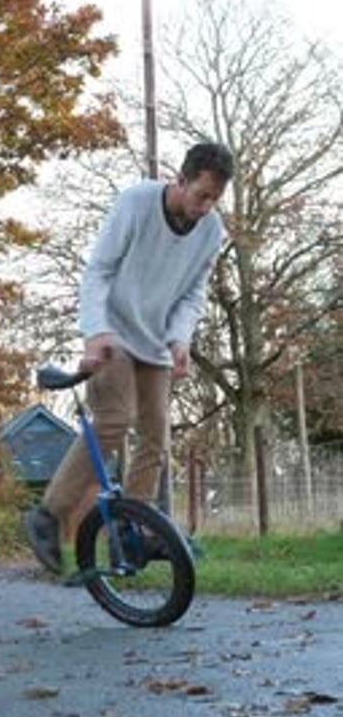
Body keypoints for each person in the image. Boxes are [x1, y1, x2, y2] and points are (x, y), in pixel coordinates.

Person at [24, 141, 234, 573]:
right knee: (115, 419)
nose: (205, 207)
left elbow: (193, 294)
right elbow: (99, 269)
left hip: (156, 342)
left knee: (156, 437)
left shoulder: (212, 231)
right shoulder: (136, 203)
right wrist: (95, 331)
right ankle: (47, 513)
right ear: (181, 179)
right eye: (201, 195)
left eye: (214, 199)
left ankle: (131, 530)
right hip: (114, 331)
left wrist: (180, 340)